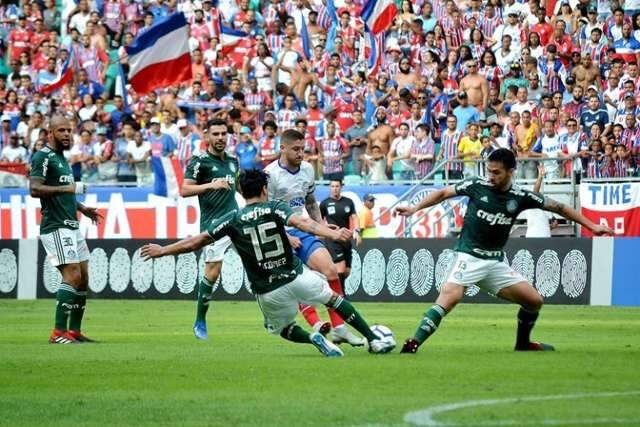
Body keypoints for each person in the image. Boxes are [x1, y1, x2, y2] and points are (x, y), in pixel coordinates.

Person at [140, 169, 394, 356]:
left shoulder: (232, 218)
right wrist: (334, 234)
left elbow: (196, 241)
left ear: (241, 192)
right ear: (264, 189)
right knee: (335, 300)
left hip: (267, 291)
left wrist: (163, 250)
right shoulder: (274, 207)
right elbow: (303, 223)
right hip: (296, 277)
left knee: (283, 329)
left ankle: (313, 337)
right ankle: (373, 338)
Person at [394, 148, 613, 354]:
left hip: (494, 263)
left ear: (511, 171)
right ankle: (413, 343)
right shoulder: (475, 185)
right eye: (489, 170)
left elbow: (559, 207)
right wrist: (413, 209)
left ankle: (523, 343)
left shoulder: (520, 196)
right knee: (450, 298)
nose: (491, 176)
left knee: (534, 301)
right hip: (468, 257)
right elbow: (442, 193)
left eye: (496, 172)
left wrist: (593, 226)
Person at [265, 129, 365, 346]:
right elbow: (266, 214)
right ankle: (314, 323)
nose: (301, 153)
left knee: (330, 270)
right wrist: (284, 237)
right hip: (277, 234)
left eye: (303, 149)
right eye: (296, 149)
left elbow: (310, 202)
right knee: (295, 280)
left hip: (303, 227)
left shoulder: (308, 170)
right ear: (282, 148)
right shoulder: (270, 174)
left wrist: (319, 224)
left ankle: (339, 328)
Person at [29, 115, 103, 344]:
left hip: (72, 225)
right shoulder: (43, 156)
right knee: (72, 274)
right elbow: (34, 188)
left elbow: (65, 194)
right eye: (61, 130)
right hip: (55, 226)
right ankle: (57, 332)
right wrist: (68, 188)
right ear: (50, 133)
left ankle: (74, 331)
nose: (67, 134)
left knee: (83, 278)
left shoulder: (63, 159)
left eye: (69, 130)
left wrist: (82, 208)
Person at [181, 119, 239, 340]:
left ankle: (270, 316)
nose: (221, 138)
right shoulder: (199, 162)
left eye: (224, 133)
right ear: (207, 136)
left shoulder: (234, 162)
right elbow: (184, 189)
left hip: (236, 221)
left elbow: (240, 187)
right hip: (213, 225)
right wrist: (210, 185)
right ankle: (200, 320)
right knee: (213, 273)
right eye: (216, 134)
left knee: (258, 264)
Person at [319, 180, 362, 313]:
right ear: (329, 188)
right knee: (341, 267)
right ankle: (341, 298)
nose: (335, 189)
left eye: (337, 186)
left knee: (346, 272)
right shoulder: (324, 203)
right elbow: (319, 221)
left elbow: (355, 218)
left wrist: (357, 232)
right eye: (332, 186)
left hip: (346, 239)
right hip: (332, 238)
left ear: (341, 187)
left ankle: (331, 292)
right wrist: (321, 234)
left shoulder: (348, 202)